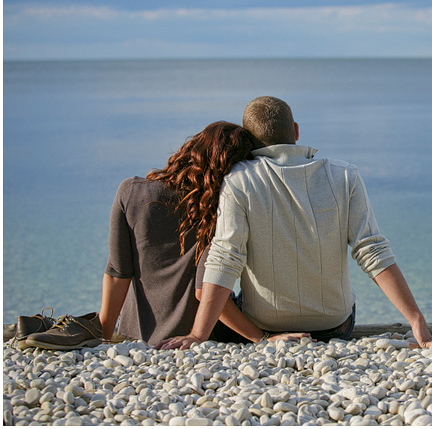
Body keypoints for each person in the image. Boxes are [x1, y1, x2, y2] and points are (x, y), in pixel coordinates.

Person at [157, 97, 432, 350]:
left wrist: (197, 335)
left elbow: (226, 258)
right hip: (335, 327)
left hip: (269, 327)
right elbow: (372, 251)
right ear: (297, 131)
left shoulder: (239, 180)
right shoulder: (345, 175)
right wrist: (416, 320)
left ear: (248, 142)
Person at [99, 121, 309, 346]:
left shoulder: (131, 192)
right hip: (205, 337)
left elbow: (117, 274)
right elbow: (206, 291)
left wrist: (102, 338)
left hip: (136, 335)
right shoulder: (220, 208)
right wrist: (263, 338)